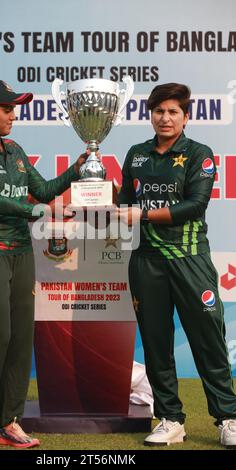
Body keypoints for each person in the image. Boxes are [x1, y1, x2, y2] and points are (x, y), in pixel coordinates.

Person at [0, 79, 87, 450]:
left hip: (19, 251)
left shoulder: (15, 150)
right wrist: (42, 211)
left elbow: (42, 190)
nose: (14, 115)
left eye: (15, 108)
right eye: (7, 108)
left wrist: (76, 170)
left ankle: (9, 422)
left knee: (18, 341)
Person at [118, 83, 236, 448]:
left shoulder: (200, 153)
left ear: (186, 117)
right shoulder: (136, 154)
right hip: (146, 263)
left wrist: (144, 214)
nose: (165, 118)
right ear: (150, 114)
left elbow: (194, 206)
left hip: (190, 261)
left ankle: (228, 418)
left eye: (173, 112)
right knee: (155, 345)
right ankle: (170, 418)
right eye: (159, 111)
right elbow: (124, 201)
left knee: (209, 342)